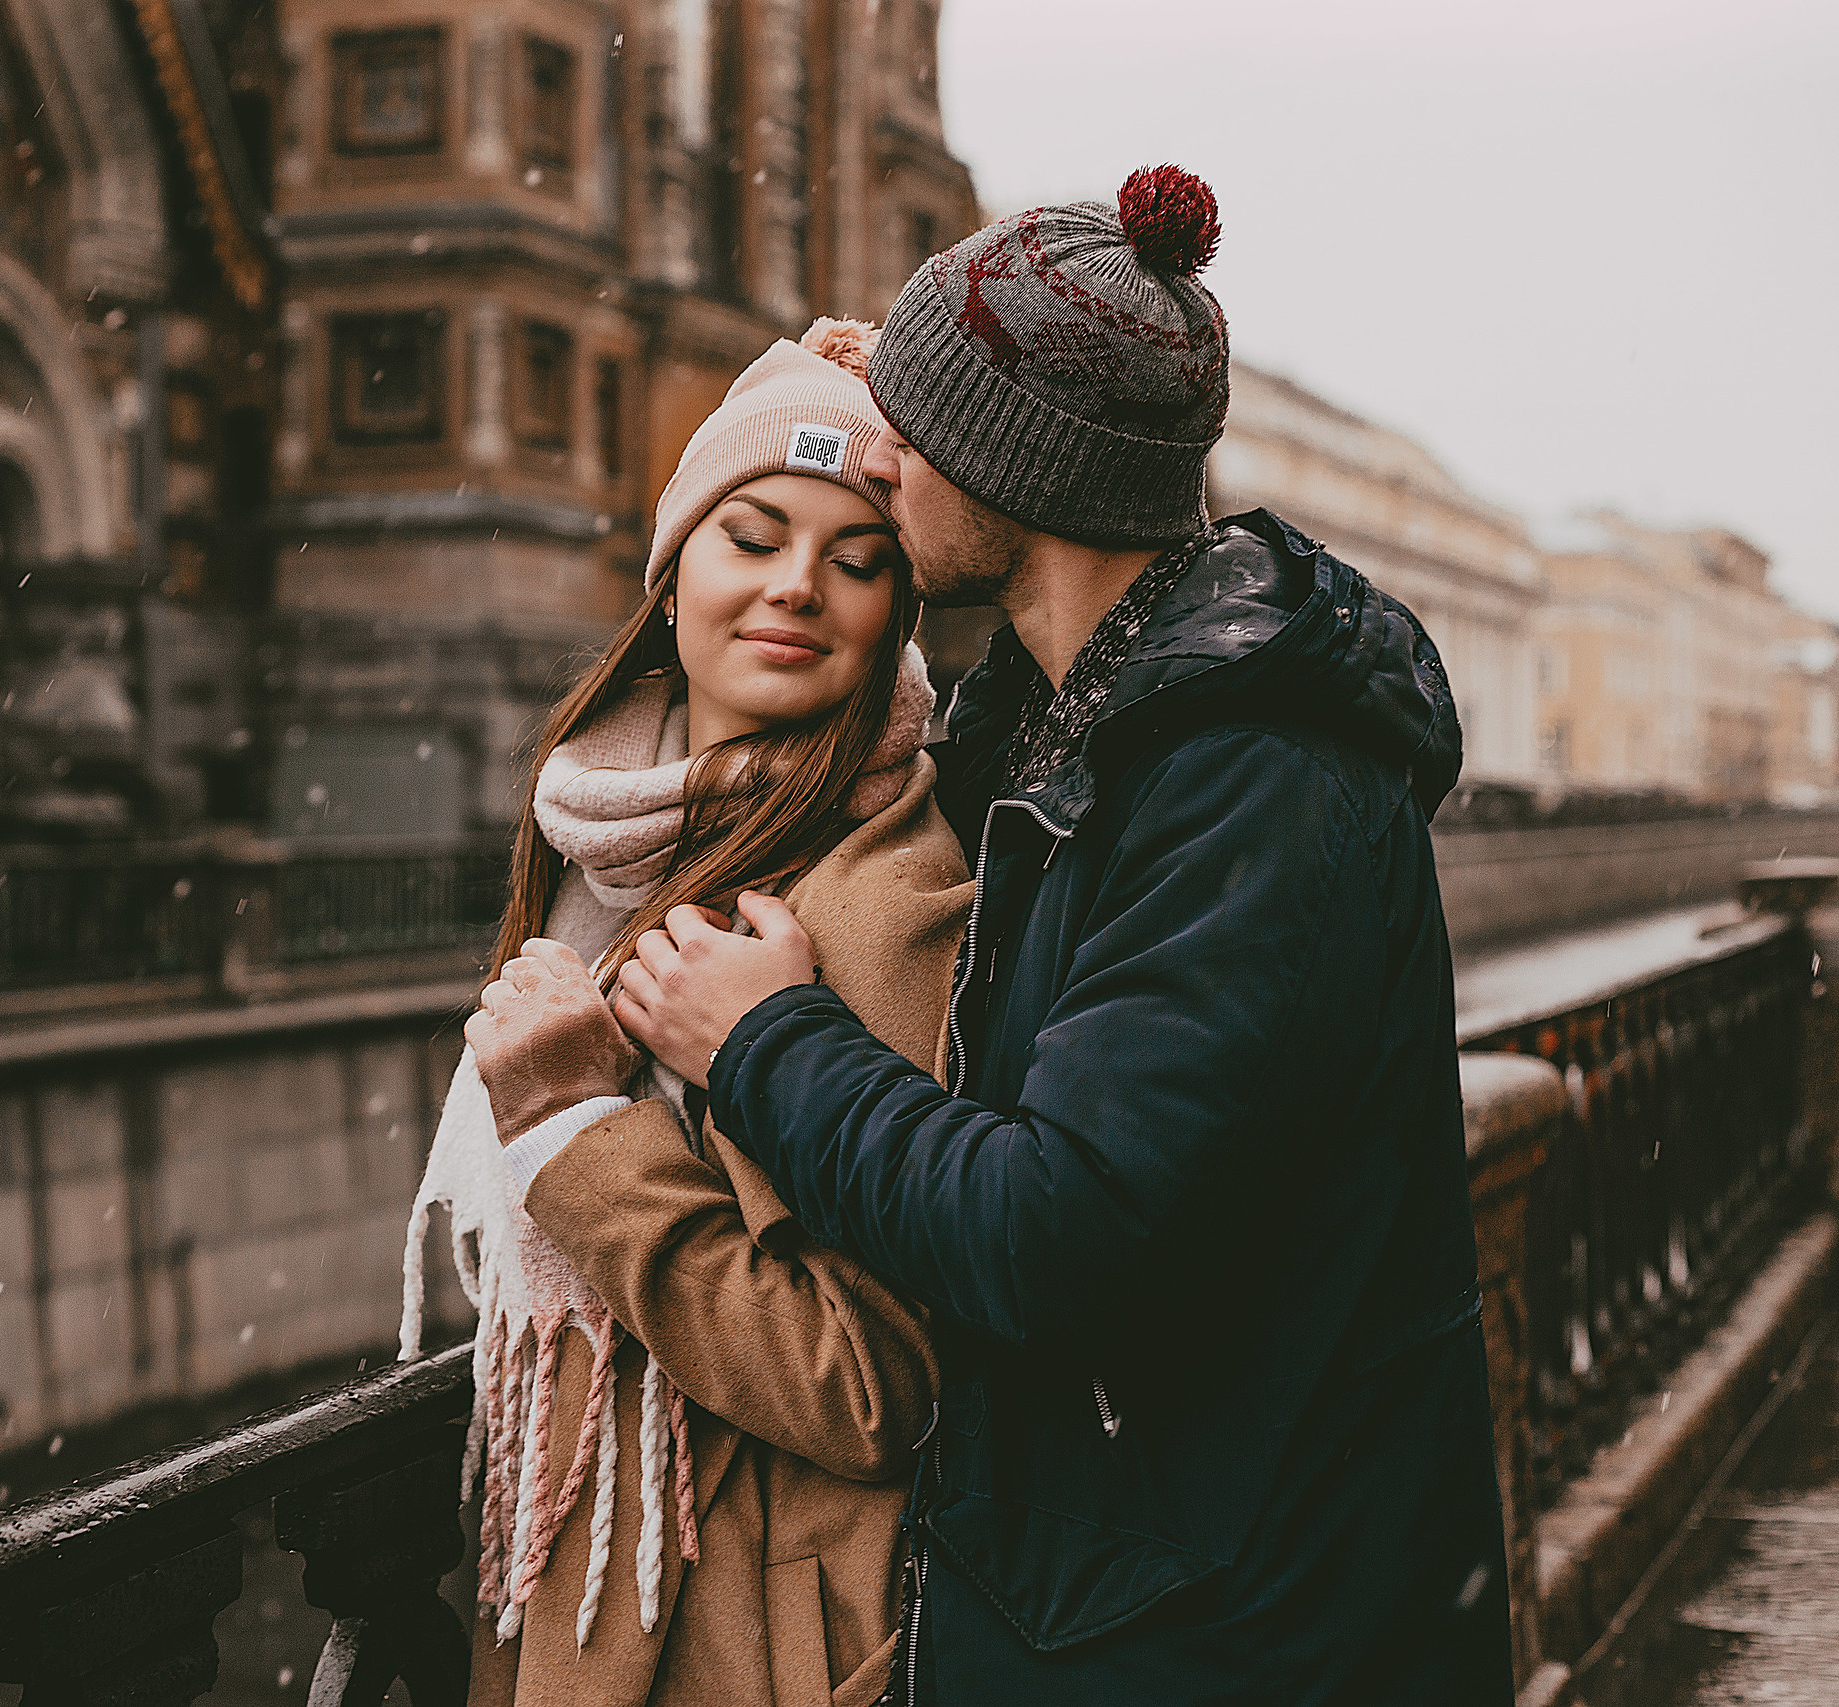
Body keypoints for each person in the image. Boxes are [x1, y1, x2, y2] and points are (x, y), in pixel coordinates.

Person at [591, 168, 1517, 1703]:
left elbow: (1054, 1235)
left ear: (1010, 479)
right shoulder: (1070, 719)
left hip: (1222, 1633)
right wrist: (846, 387)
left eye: (910, 431)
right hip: (1151, 1588)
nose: (877, 458)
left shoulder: (1249, 782)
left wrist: (762, 1042)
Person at [398, 321, 973, 1707]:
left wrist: (584, 1128)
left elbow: (870, 1381)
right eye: (755, 536)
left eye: (858, 563)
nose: (796, 590)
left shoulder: (889, 892)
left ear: (896, 616)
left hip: (738, 1637)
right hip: (593, 1574)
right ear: (670, 580)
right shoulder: (598, 840)